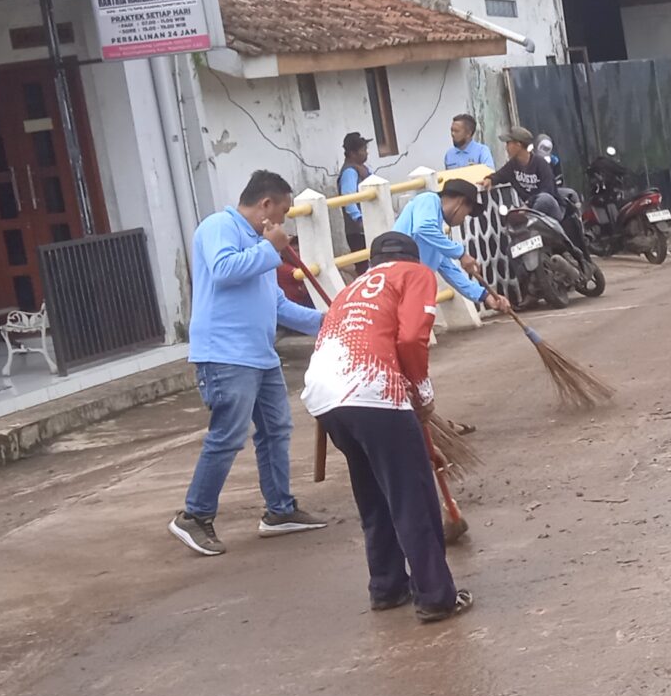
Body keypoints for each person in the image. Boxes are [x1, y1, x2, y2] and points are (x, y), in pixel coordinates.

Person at [301, 231, 482, 623]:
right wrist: (421, 391)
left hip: (323, 396)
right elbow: (413, 336)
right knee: (410, 493)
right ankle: (436, 595)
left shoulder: (352, 289)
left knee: (372, 492)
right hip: (372, 387)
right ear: (412, 259)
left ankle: (386, 586)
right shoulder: (415, 275)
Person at [170, 171, 333, 557]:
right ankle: (194, 516)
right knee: (227, 435)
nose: (284, 222)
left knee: (277, 429)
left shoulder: (257, 244)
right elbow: (225, 271)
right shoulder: (218, 227)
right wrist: (270, 249)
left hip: (260, 355)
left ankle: (280, 510)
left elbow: (275, 304)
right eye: (283, 212)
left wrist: (323, 322)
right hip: (225, 355)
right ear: (265, 206)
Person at [394, 177, 495, 308]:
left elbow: (450, 270)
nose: (462, 220)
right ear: (460, 202)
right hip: (394, 281)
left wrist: (486, 296)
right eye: (465, 214)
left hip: (409, 289)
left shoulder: (436, 235)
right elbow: (423, 228)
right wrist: (461, 254)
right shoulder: (429, 199)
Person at [493, 126, 589, 256]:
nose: (506, 147)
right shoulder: (513, 165)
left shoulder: (540, 163)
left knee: (544, 198)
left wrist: (528, 204)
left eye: (509, 143)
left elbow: (548, 190)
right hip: (530, 212)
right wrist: (489, 180)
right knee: (511, 249)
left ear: (518, 144)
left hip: (552, 210)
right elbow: (499, 175)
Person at [337, 131, 372, 257]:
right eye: (363, 150)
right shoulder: (350, 172)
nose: (366, 153)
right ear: (353, 153)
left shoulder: (361, 168)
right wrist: (359, 219)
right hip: (359, 231)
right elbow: (348, 199)